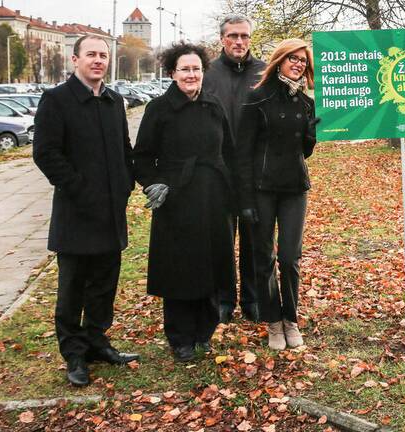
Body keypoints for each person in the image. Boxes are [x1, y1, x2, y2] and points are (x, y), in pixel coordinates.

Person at [33, 34, 139, 387]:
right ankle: (74, 355)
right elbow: (46, 154)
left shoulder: (113, 100)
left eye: (103, 55)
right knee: (72, 292)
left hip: (111, 214)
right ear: (74, 60)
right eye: (90, 54)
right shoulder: (57, 100)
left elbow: (124, 148)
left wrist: (125, 185)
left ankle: (97, 342)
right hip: (76, 214)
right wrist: (79, 188)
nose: (98, 60)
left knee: (103, 287)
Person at [133, 43, 248, 363]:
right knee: (180, 268)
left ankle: (204, 330)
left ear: (203, 72)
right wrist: (152, 184)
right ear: (172, 73)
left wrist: (236, 193)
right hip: (176, 198)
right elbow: (142, 156)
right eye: (185, 69)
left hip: (214, 197)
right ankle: (180, 336)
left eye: (196, 69)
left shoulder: (213, 105)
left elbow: (229, 152)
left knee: (211, 263)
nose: (191, 74)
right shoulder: (159, 109)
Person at [236, 39, 318, 351]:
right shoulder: (257, 98)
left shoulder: (306, 102)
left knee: (290, 257)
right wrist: (243, 199)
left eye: (302, 60)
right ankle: (272, 320)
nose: (297, 64)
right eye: (292, 59)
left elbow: (304, 152)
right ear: (279, 60)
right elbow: (242, 153)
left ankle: (291, 319)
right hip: (262, 188)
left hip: (294, 187)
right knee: (264, 257)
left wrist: (311, 136)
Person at [201, 14, 267, 323]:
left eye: (244, 36)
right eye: (232, 36)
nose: (238, 41)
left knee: (256, 239)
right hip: (219, 171)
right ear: (222, 39)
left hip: (256, 171)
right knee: (220, 240)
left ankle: (252, 300)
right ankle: (223, 299)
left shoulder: (265, 71)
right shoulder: (207, 73)